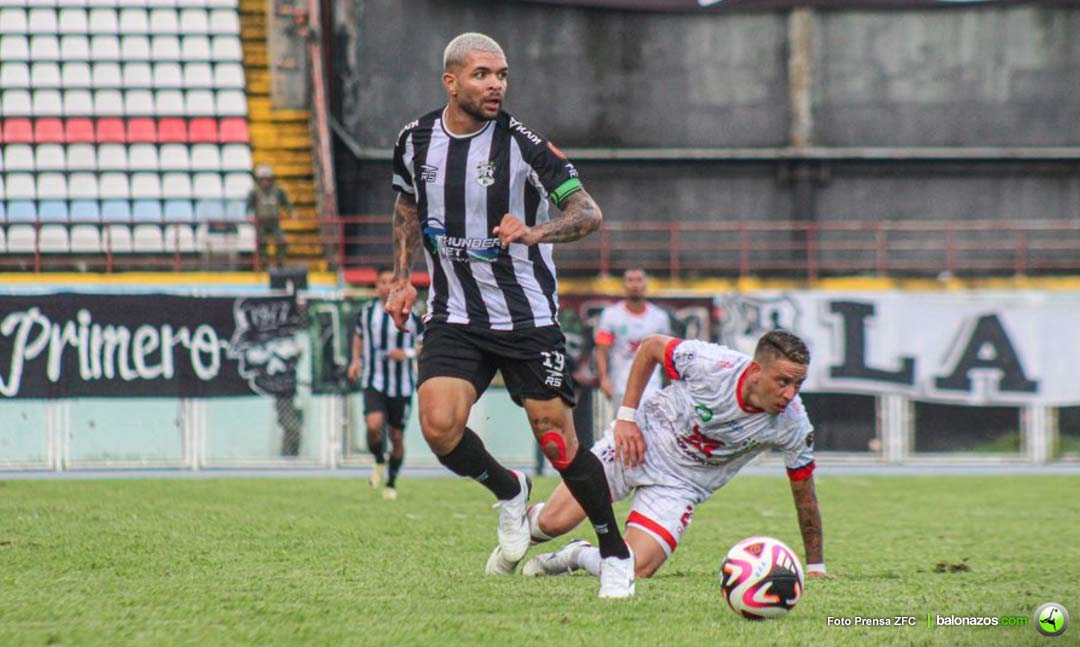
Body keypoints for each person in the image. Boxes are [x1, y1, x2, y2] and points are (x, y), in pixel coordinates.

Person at [384, 32, 636, 597]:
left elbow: (587, 212)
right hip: (453, 314)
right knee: (439, 427)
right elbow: (406, 203)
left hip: (527, 318)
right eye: (481, 74)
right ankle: (509, 490)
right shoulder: (413, 140)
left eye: (501, 74)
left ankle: (614, 554)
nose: (495, 84)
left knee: (558, 443)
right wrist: (402, 279)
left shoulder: (523, 144)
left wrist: (534, 230)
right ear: (451, 81)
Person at [515, 330, 828, 589]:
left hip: (681, 485)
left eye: (797, 385)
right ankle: (518, 524)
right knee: (551, 523)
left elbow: (805, 496)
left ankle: (577, 555)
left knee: (635, 569)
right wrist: (627, 418)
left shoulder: (794, 424)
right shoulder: (712, 364)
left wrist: (815, 565)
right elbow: (651, 346)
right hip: (640, 443)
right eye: (783, 382)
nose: (790, 395)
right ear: (756, 371)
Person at [348, 268, 423, 500]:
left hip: (401, 385)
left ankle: (391, 482)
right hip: (374, 380)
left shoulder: (409, 312)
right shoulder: (367, 312)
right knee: (373, 425)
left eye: (391, 282)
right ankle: (379, 459)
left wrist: (408, 353)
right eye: (382, 282)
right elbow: (359, 335)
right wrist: (355, 361)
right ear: (376, 287)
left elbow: (425, 341)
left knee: (397, 437)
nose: (386, 286)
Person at [594, 269, 672, 416]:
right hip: (621, 383)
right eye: (630, 280)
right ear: (624, 285)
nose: (635, 285)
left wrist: (669, 384)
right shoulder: (610, 316)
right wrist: (604, 379)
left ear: (646, 284)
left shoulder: (659, 317)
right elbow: (601, 350)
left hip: (651, 385)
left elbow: (666, 353)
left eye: (639, 280)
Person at [245, 163, 296, 269]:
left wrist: (292, 212)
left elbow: (286, 203)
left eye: (267, 179)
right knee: (262, 243)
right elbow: (249, 206)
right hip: (261, 222)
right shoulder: (254, 192)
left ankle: (279, 262)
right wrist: (249, 215)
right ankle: (265, 264)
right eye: (262, 179)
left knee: (282, 241)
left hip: (275, 222)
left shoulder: (278, 190)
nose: (265, 181)